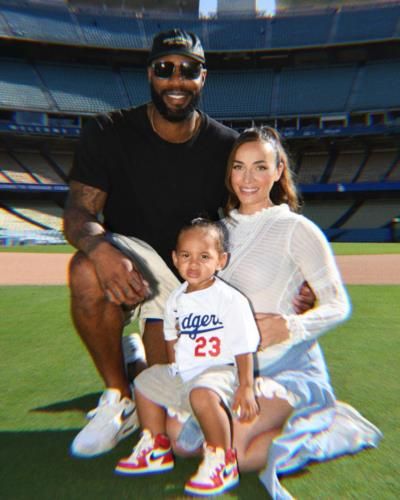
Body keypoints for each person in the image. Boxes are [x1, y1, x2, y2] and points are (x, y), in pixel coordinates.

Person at [63, 28, 313, 459]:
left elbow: (253, 216)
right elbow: (77, 213)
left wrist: (296, 277)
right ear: (150, 75)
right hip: (130, 259)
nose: (176, 81)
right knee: (85, 271)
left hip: (188, 279)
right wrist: (101, 249)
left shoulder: (224, 146)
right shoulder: (109, 131)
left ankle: (136, 355)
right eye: (165, 69)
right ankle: (116, 394)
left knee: (169, 406)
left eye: (188, 71)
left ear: (203, 78)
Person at [170, 127, 382, 499]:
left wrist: (290, 325)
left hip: (284, 366)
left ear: (278, 169)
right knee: (180, 443)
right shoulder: (216, 231)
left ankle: (332, 424)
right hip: (227, 364)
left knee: (238, 454)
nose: (247, 179)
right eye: (239, 167)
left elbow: (338, 304)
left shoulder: (296, 229)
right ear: (229, 172)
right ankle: (269, 427)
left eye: (259, 167)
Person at [114, 218, 260, 496]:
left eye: (204, 256)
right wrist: (172, 372)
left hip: (220, 371)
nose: (193, 263)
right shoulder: (176, 299)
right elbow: (172, 339)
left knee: (202, 395)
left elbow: (244, 346)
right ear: (174, 258)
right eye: (186, 255)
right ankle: (156, 447)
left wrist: (246, 385)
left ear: (221, 260)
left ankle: (222, 459)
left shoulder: (229, 299)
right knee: (145, 382)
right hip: (187, 372)